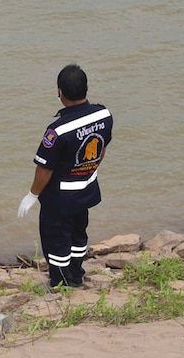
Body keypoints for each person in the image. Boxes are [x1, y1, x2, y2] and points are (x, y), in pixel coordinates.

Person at [17, 64, 113, 289]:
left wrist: (32, 195)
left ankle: (60, 282)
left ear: (59, 92)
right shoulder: (104, 114)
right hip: (86, 189)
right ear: (87, 88)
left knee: (56, 239)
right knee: (79, 234)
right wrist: (89, 169)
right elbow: (102, 147)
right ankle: (76, 274)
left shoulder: (57, 130)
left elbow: (45, 169)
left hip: (59, 198)